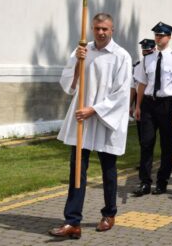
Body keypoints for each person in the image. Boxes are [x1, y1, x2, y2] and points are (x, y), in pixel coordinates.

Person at [49, 13, 132, 239]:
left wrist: (94, 109)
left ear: (112, 30)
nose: (101, 32)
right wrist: (77, 62)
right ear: (92, 29)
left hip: (104, 118)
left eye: (105, 28)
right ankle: (72, 221)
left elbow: (122, 93)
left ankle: (109, 213)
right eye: (97, 28)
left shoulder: (121, 56)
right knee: (77, 169)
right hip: (82, 120)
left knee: (109, 170)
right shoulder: (82, 52)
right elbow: (69, 84)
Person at [133, 22, 172, 196]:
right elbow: (142, 84)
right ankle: (145, 182)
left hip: (167, 105)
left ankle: (162, 182)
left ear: (169, 37)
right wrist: (137, 106)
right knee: (146, 143)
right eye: (156, 35)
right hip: (148, 105)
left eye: (162, 35)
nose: (159, 38)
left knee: (166, 145)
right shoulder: (148, 58)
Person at [130, 39, 156, 169]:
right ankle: (144, 163)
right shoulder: (137, 66)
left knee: (152, 137)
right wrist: (131, 105)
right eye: (144, 50)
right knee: (143, 136)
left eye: (148, 50)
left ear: (154, 49)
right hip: (141, 102)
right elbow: (133, 87)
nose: (146, 52)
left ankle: (149, 163)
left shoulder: (157, 64)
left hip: (154, 100)